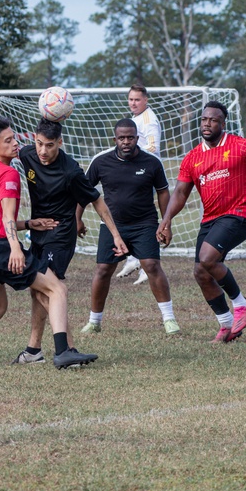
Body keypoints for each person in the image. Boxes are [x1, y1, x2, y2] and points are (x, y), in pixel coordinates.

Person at [0, 116, 100, 370]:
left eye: (14, 138)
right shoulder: (8, 174)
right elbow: (7, 218)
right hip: (0, 248)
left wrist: (29, 223)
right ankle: (63, 351)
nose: (16, 144)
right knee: (56, 290)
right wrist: (16, 248)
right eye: (8, 140)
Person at [159, 100, 246, 343]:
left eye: (213, 120)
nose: (207, 123)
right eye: (204, 119)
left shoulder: (240, 145)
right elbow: (180, 193)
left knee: (207, 259)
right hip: (211, 220)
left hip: (239, 215)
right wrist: (166, 220)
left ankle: (241, 303)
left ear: (223, 124)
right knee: (201, 272)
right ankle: (226, 326)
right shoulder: (192, 157)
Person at [14, 118, 128, 365]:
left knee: (48, 288)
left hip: (61, 235)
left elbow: (97, 201)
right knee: (38, 291)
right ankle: (35, 350)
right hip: (38, 234)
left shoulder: (71, 171)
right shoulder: (28, 154)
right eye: (40, 144)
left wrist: (116, 236)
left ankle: (67, 349)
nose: (43, 151)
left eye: (50, 145)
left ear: (60, 143)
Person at [78, 118, 180, 335]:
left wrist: (166, 223)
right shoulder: (101, 161)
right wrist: (77, 219)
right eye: (122, 138)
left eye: (130, 137)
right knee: (103, 270)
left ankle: (169, 319)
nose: (126, 142)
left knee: (151, 265)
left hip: (145, 224)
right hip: (112, 225)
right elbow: (84, 192)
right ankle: (94, 321)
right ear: (115, 139)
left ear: (137, 138)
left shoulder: (151, 162)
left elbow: (163, 191)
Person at [116, 84, 165, 285]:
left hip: (145, 174)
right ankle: (132, 259)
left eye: (137, 99)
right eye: (130, 99)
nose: (133, 103)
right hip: (132, 173)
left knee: (143, 218)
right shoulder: (135, 119)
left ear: (145, 100)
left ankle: (146, 265)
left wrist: (134, 153)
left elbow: (153, 148)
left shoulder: (149, 120)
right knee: (128, 214)